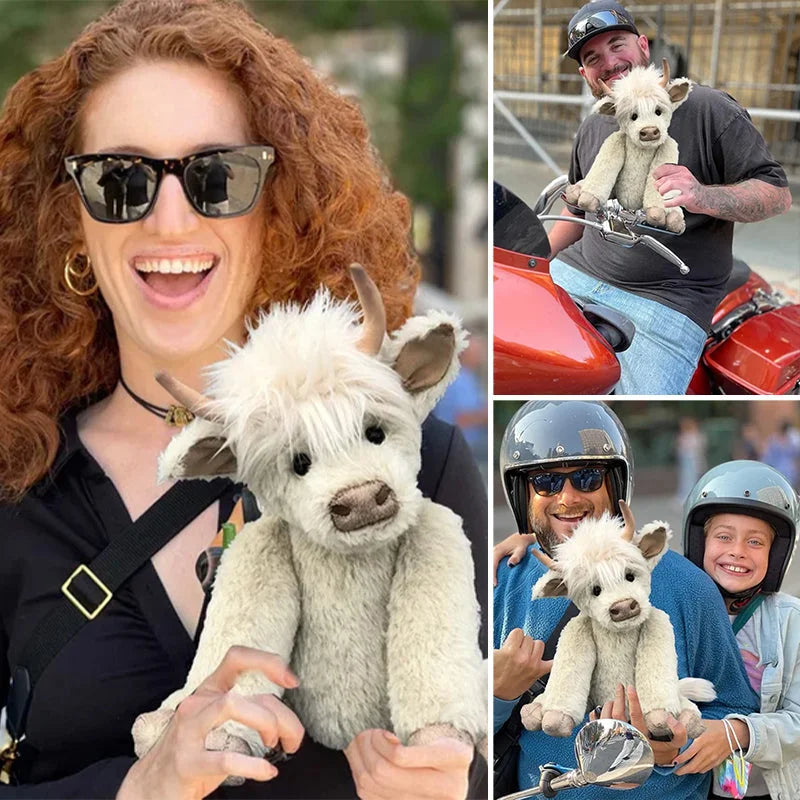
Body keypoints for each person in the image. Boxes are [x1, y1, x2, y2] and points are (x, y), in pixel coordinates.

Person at [0, 1, 487, 798]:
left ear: (280, 206)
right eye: (120, 181)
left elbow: (492, 756)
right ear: (70, 220)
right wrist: (136, 787)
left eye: (217, 177)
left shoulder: (413, 460)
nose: (168, 219)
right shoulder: (16, 485)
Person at [493, 400, 758, 799]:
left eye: (586, 477)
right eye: (545, 482)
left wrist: (675, 747)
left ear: (617, 483)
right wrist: (498, 696)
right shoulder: (506, 580)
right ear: (522, 493)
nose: (566, 499)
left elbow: (735, 708)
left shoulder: (690, 586)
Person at [546, 0, 792, 395]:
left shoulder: (708, 109)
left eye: (617, 45)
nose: (609, 62)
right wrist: (531, 261)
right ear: (585, 75)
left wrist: (701, 196)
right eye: (593, 57)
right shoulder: (595, 124)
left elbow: (777, 194)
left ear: (643, 46)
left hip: (666, 303)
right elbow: (575, 207)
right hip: (572, 276)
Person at [679, 460, 800, 799]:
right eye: (724, 536)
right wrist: (529, 547)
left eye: (755, 542)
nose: (737, 551)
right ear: (700, 542)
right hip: (688, 787)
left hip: (765, 791)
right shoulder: (675, 606)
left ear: (776, 554)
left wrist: (738, 733)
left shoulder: (792, 622)